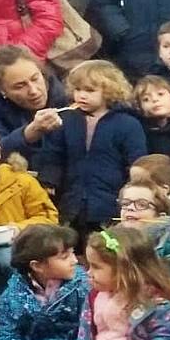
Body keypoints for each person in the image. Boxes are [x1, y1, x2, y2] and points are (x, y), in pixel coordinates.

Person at [25, 59, 147, 230]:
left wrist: (129, 195)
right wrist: (49, 181)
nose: (81, 95)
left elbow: (137, 163)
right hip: (71, 203)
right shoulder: (66, 119)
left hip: (110, 203)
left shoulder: (128, 123)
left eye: (89, 90)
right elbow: (53, 154)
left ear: (109, 90)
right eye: (78, 89)